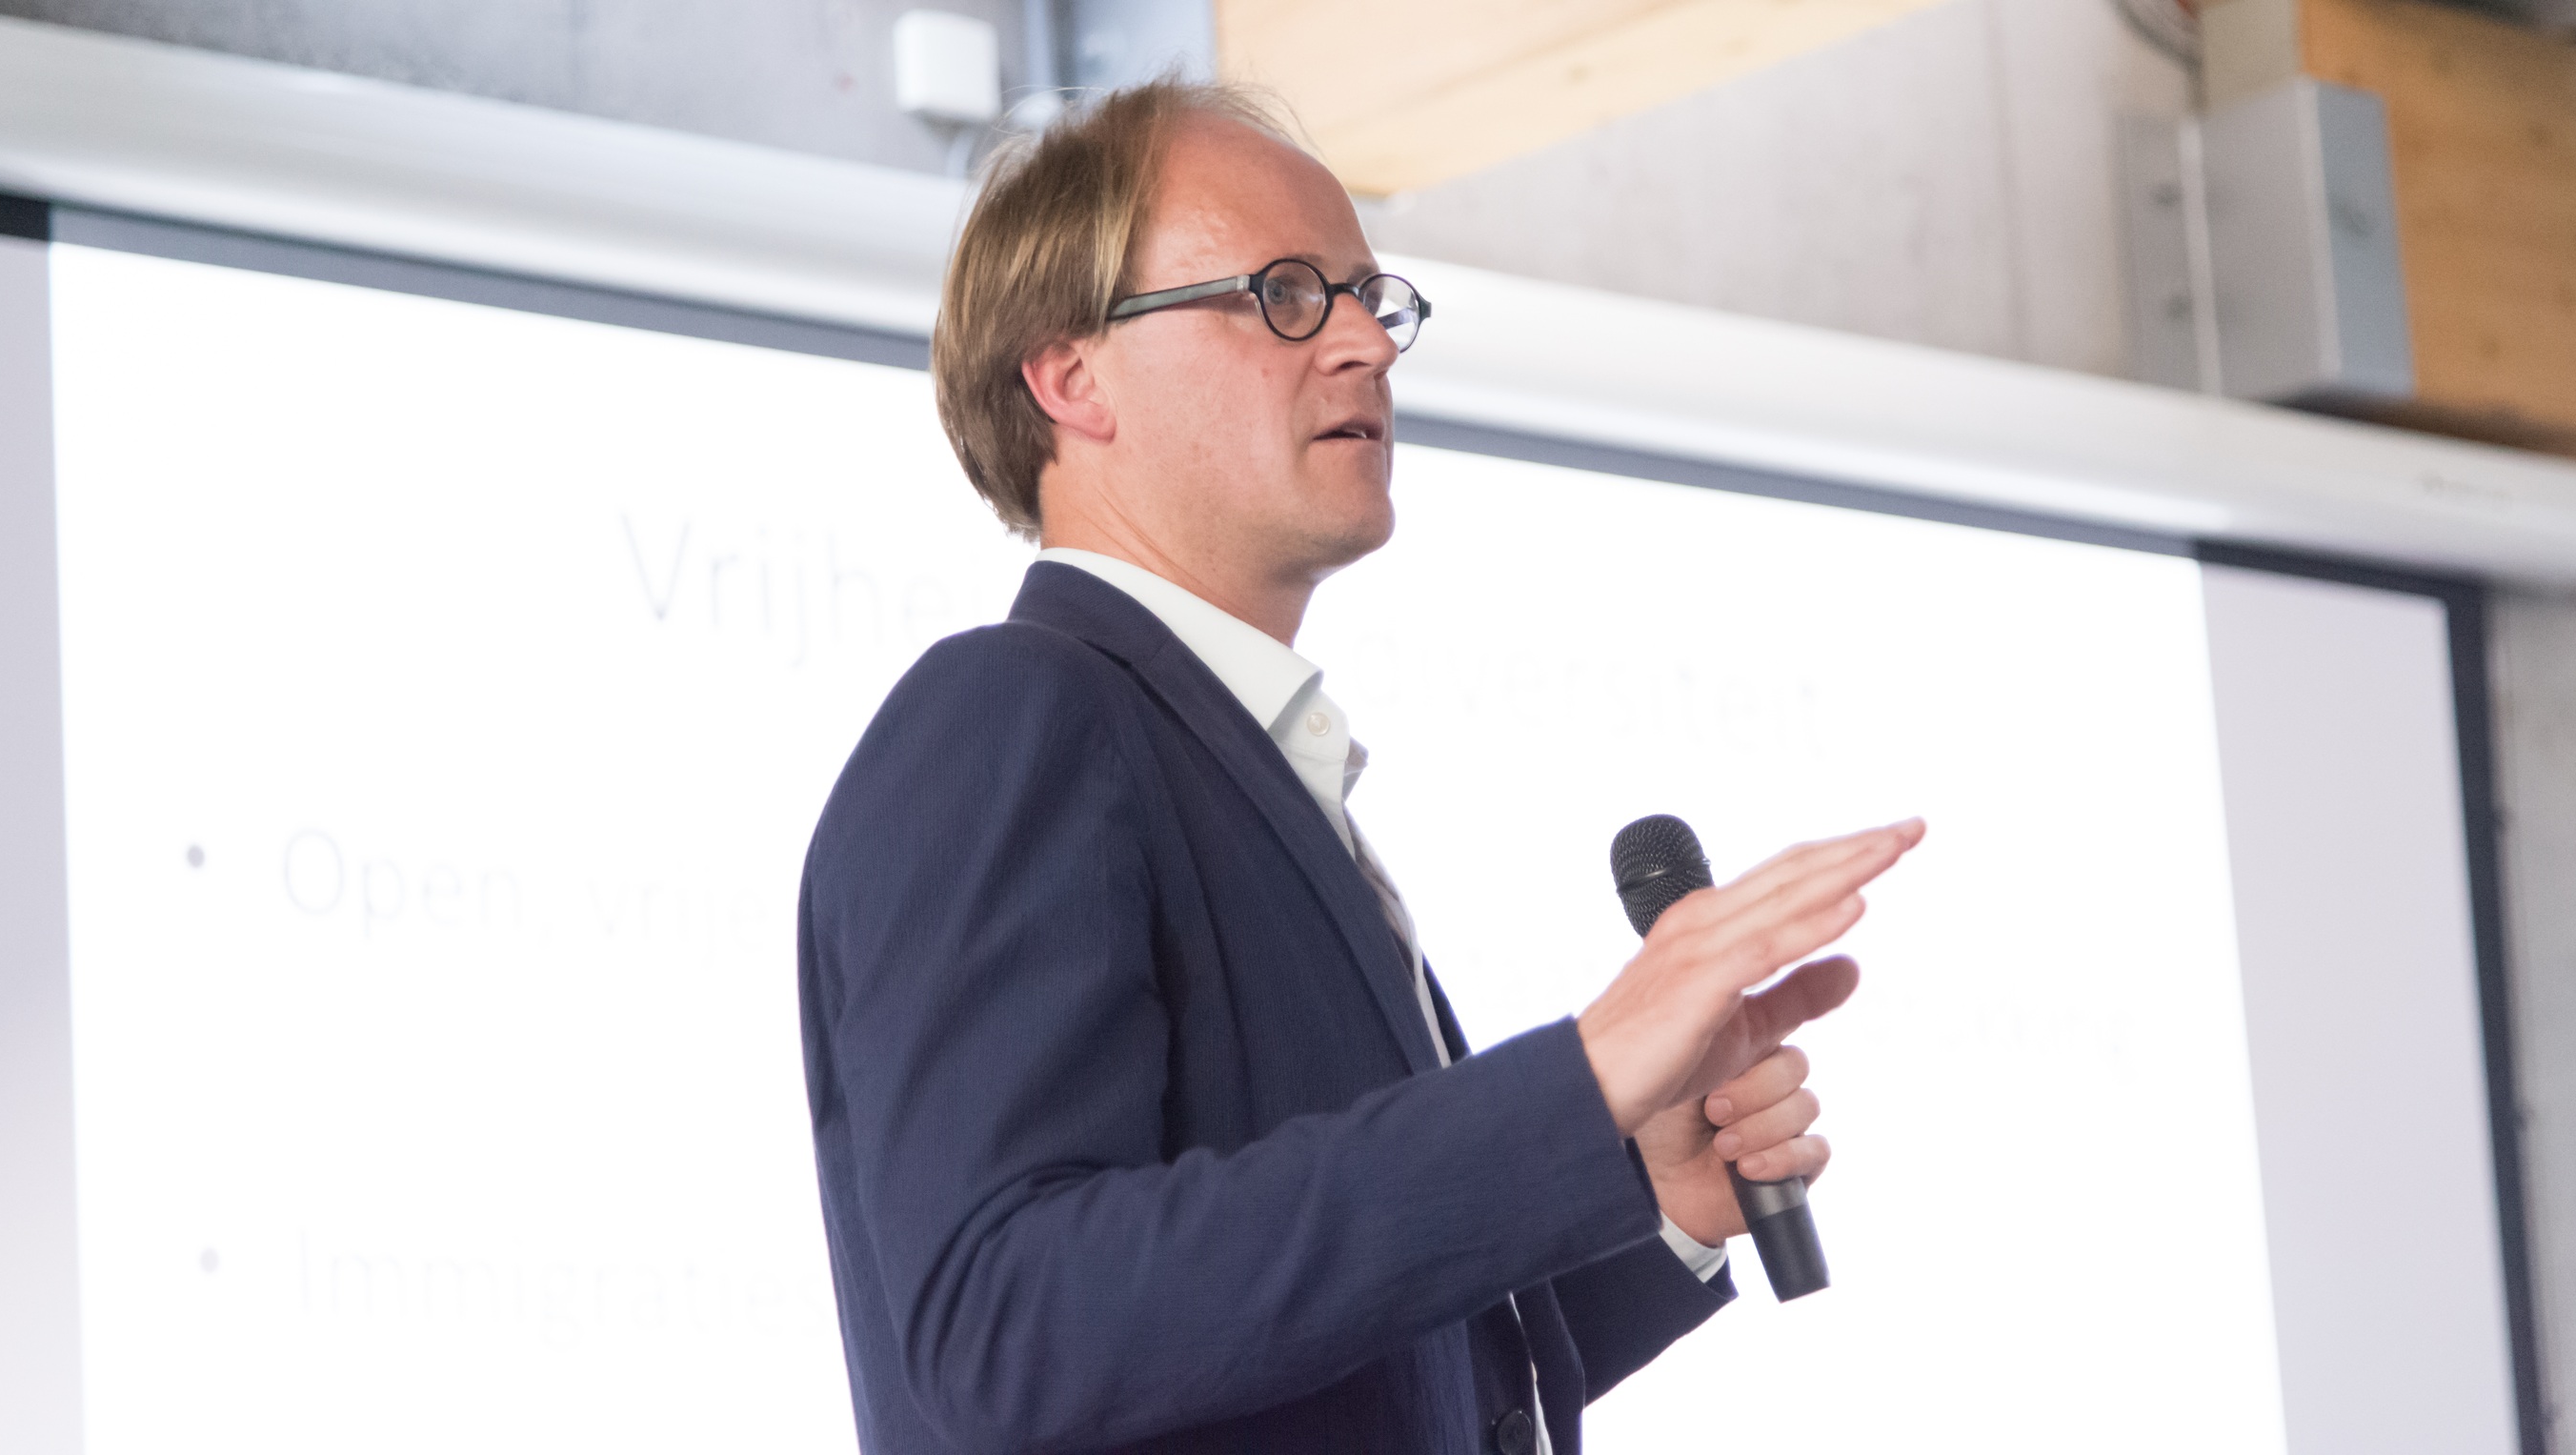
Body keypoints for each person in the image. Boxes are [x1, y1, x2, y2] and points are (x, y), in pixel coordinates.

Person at [796, 79, 1924, 1454]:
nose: (1361, 346)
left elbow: (1367, 1380)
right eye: (1281, 295)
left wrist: (1657, 1198)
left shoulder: (1244, 766)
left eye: (1368, 300)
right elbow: (1007, 1326)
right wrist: (1574, 1080)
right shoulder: (1013, 718)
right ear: (1069, 375)